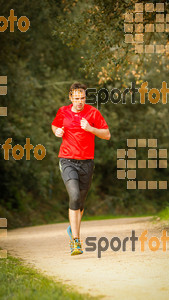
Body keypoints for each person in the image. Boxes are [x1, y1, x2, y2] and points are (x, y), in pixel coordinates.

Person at [51, 82, 111, 255]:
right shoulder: (63, 111)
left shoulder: (93, 113)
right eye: (76, 98)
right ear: (70, 97)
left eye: (82, 98)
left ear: (86, 97)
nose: (79, 102)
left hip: (87, 162)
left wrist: (90, 128)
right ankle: (76, 242)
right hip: (67, 159)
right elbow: (55, 125)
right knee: (74, 196)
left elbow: (107, 135)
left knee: (80, 203)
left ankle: (72, 229)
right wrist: (56, 132)